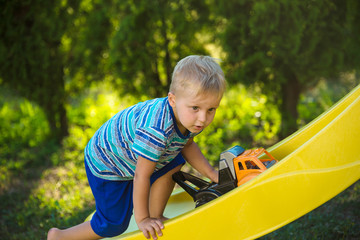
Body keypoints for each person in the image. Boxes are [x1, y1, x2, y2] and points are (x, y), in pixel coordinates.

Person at [47, 55, 226, 240]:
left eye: (211, 109)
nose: (203, 118)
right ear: (172, 100)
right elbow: (142, 175)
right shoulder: (157, 130)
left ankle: (156, 217)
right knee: (113, 224)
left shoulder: (189, 119)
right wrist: (142, 219)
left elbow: (187, 145)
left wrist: (212, 174)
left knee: (175, 160)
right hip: (107, 162)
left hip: (132, 156)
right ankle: (59, 236)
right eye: (196, 108)